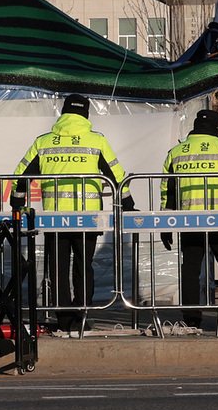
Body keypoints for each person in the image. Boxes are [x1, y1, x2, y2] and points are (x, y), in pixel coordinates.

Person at [14, 92, 131, 335]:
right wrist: (129, 205)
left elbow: (21, 175)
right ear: (86, 114)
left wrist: (17, 204)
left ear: (63, 113)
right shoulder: (96, 141)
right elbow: (117, 177)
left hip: (55, 218)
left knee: (56, 268)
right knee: (83, 266)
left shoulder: (43, 142)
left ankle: (64, 319)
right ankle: (82, 315)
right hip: (88, 217)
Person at [161, 107, 218, 334]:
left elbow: (168, 192)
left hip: (189, 220)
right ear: (216, 128)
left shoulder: (176, 152)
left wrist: (166, 224)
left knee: (190, 271)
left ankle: (191, 321)